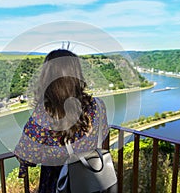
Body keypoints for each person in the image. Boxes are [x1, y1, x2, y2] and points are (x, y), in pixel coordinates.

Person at [14, 49, 110, 193]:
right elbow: (103, 138)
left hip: (58, 184)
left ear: (47, 78)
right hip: (92, 182)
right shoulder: (98, 106)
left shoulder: (44, 115)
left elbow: (26, 155)